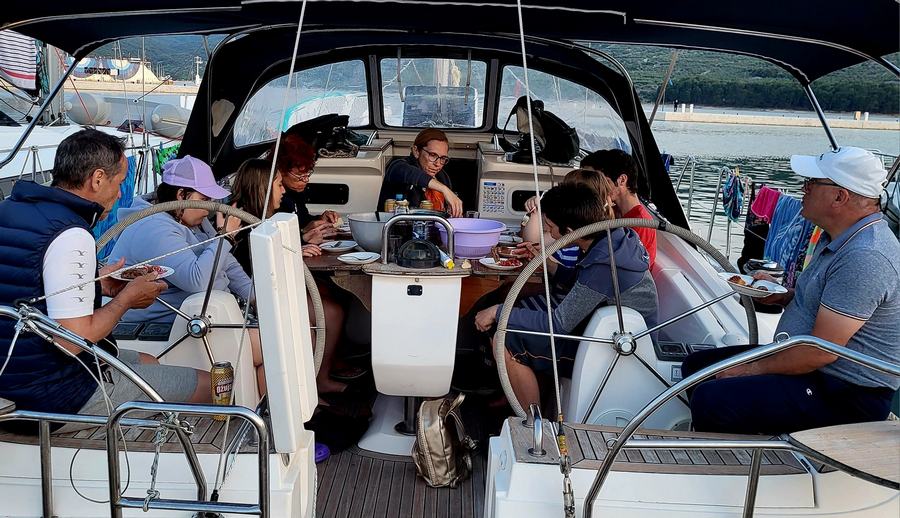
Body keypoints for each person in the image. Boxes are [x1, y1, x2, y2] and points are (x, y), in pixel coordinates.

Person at [682, 147, 900, 434]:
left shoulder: (865, 257)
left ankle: (739, 457)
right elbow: (824, 304)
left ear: (839, 197)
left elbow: (820, 352)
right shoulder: (837, 237)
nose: (803, 189)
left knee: (712, 398)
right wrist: (784, 296)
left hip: (845, 392)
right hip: (813, 368)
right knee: (697, 367)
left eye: (812, 183)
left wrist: (746, 370)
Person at [0, 129, 210, 424]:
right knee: (209, 385)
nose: (121, 193)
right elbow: (71, 341)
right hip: (52, 395)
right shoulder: (71, 234)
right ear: (97, 179)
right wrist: (126, 300)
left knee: (148, 361)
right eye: (120, 182)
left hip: (12, 375)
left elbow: (26, 281)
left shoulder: (10, 208)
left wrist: (97, 282)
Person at [475, 183, 658, 411]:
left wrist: (497, 311)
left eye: (551, 227)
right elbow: (584, 284)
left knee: (504, 337)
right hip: (603, 331)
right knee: (520, 309)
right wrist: (549, 265)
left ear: (570, 231)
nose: (549, 232)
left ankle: (531, 422)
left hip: (614, 353)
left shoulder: (604, 265)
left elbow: (559, 324)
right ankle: (524, 393)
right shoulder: (614, 237)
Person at [109, 155, 266, 394]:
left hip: (204, 316)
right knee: (271, 347)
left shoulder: (190, 219)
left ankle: (266, 412)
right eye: (204, 200)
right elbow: (197, 280)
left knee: (275, 340)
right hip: (161, 325)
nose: (211, 207)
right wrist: (225, 238)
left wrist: (257, 299)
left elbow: (228, 265)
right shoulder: (153, 227)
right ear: (181, 195)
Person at [227, 158, 353, 393]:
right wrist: (296, 248)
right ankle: (317, 383)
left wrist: (300, 243)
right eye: (278, 185)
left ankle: (320, 378)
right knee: (331, 313)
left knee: (330, 298)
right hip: (255, 299)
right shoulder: (239, 222)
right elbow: (252, 265)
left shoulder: (263, 215)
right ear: (263, 189)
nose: (283, 190)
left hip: (273, 288)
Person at [581, 149, 657, 269]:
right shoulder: (614, 211)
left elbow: (627, 268)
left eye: (605, 182)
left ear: (622, 180)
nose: (599, 188)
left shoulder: (640, 223)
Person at [376, 128, 463, 216]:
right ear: (416, 151)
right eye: (433, 155)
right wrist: (444, 190)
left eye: (443, 158)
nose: (438, 164)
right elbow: (409, 173)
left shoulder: (442, 177)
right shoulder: (399, 167)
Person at [273, 134, 340, 245]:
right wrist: (303, 233)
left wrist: (320, 219)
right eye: (299, 176)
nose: (306, 180)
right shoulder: (274, 199)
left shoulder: (295, 192)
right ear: (281, 170)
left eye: (307, 174)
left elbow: (302, 219)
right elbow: (276, 240)